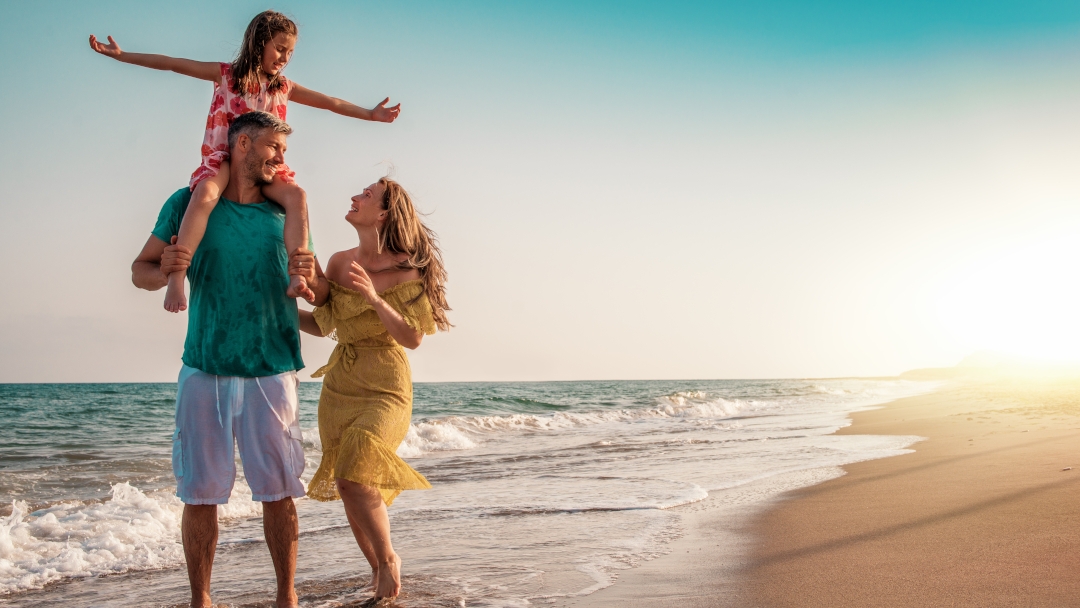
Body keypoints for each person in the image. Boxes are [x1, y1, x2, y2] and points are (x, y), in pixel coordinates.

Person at [131, 111, 328, 608]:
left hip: (273, 368)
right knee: (199, 494)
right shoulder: (188, 203)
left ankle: (287, 598)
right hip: (204, 367)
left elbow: (320, 293)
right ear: (242, 144)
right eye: (273, 148)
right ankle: (202, 601)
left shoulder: (286, 212)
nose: (281, 161)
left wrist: (313, 277)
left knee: (279, 490)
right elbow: (140, 271)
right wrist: (168, 269)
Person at [92, 9, 400, 313]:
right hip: (226, 159)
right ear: (259, 43)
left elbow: (331, 103)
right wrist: (122, 56)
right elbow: (173, 64)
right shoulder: (226, 75)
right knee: (205, 194)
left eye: (290, 52)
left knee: (297, 196)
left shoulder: (284, 87)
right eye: (279, 48)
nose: (284, 57)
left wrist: (370, 115)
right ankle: (176, 277)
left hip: (267, 166)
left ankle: (297, 275)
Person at [295, 178, 450, 600]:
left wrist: (376, 299)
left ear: (382, 213)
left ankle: (388, 562)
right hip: (341, 383)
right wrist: (280, 311)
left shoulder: (407, 269)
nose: (354, 197)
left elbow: (414, 338)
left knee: (361, 460)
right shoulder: (340, 262)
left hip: (386, 384)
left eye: (365, 195)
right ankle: (379, 569)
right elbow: (324, 325)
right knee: (348, 481)